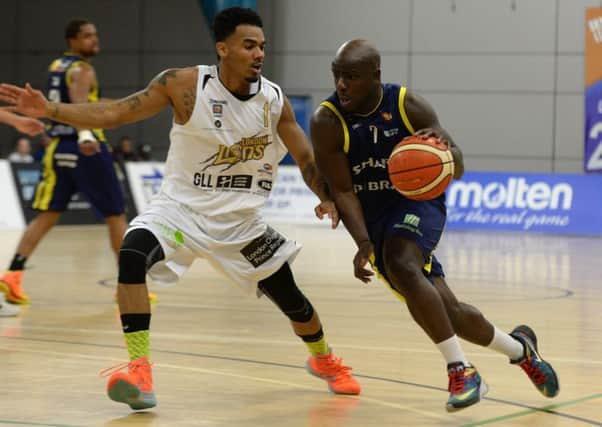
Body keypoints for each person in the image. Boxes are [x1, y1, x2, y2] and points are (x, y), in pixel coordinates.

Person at [0, 7, 361, 410]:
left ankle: (323, 357)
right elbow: (115, 112)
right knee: (133, 253)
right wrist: (50, 110)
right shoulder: (183, 84)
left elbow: (307, 159)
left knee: (293, 301)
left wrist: (324, 195)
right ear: (223, 49)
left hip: (240, 223)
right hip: (179, 212)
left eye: (262, 46)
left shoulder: (274, 100)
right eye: (248, 45)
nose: (259, 53)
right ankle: (139, 370)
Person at [310, 39, 559, 412]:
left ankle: (461, 370)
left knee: (401, 262)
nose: (341, 84)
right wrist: (363, 242)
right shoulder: (327, 120)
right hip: (374, 217)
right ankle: (521, 349)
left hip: (418, 201)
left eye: (351, 77)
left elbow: (457, 166)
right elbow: (343, 191)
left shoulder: (407, 105)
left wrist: (445, 151)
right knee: (450, 314)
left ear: (375, 76)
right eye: (337, 76)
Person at [0, 19, 160, 305]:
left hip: (58, 147)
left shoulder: (56, 66)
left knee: (46, 215)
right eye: (87, 36)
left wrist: (118, 104)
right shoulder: (83, 69)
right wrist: (86, 134)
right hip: (86, 149)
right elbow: (80, 104)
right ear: (72, 40)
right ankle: (128, 283)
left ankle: (13, 275)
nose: (94, 41)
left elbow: (82, 100)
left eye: (95, 35)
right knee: (116, 216)